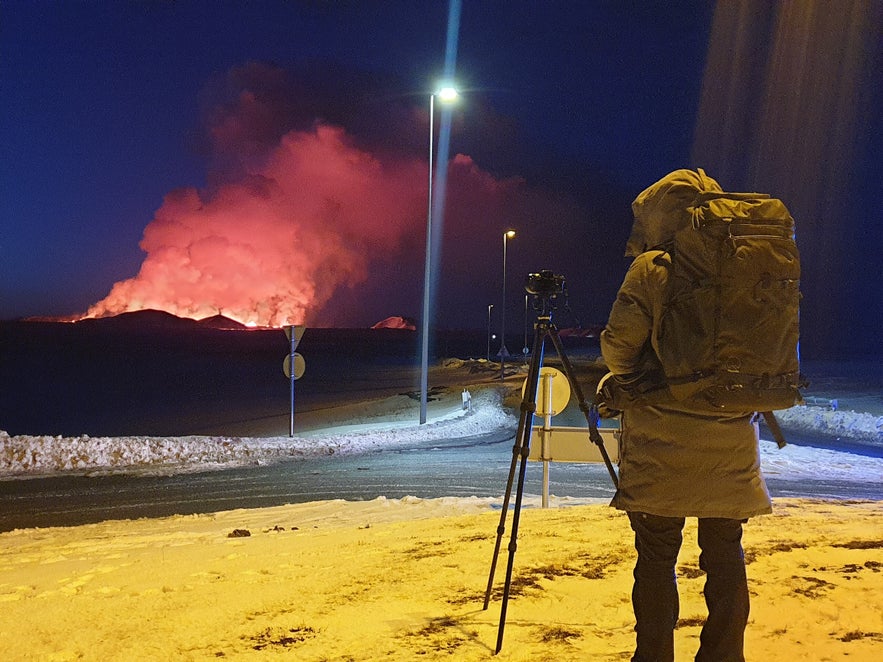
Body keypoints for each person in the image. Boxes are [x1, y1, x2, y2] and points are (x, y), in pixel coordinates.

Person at [599, 169, 772, 662]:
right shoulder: (747, 267)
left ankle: (653, 656)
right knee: (725, 553)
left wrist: (627, 378)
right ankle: (724, 655)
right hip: (732, 440)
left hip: (661, 441)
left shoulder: (653, 268)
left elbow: (618, 350)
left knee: (655, 558)